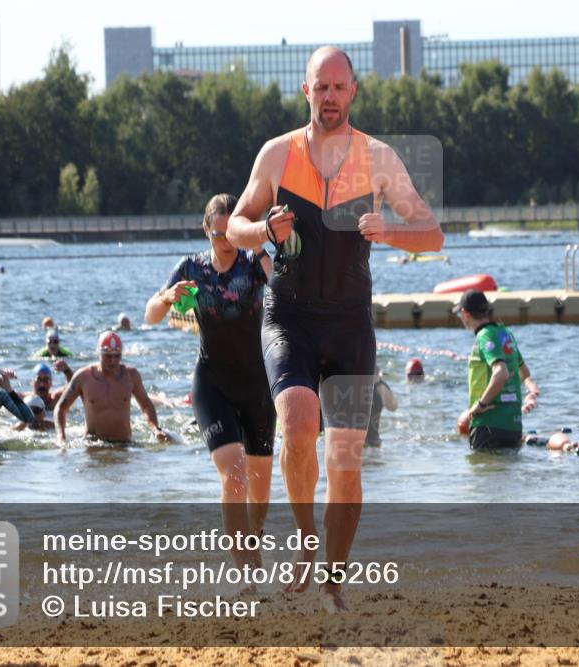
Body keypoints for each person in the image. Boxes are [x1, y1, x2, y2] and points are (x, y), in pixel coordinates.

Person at [225, 46, 444, 611]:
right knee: (297, 423)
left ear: (352, 93)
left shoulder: (379, 159)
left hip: (349, 325)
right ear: (306, 92)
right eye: (320, 87)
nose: (329, 97)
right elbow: (234, 223)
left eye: (338, 87)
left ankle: (333, 581)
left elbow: (433, 233)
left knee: (344, 462)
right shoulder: (277, 155)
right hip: (290, 316)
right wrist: (264, 230)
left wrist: (389, 230)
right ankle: (304, 540)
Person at [145, 193, 276, 573]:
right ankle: (244, 572)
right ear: (206, 230)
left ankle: (254, 542)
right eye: (217, 234)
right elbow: (150, 314)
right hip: (212, 382)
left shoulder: (254, 261)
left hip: (258, 384)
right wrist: (168, 297)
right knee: (234, 476)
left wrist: (268, 251)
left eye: (230, 233)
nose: (224, 241)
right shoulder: (191, 267)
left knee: (260, 489)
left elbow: (286, 289)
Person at [455, 290, 540, 450]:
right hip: (513, 426)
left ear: (465, 313)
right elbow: (524, 372)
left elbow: (501, 373)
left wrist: (480, 405)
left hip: (488, 423)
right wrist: (531, 387)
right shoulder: (505, 333)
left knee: (483, 472)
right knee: (506, 472)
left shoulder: (484, 336)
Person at [54, 331, 169, 446]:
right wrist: (61, 437)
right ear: (99, 353)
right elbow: (61, 407)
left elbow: (146, 405)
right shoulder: (84, 377)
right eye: (108, 356)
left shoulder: (131, 376)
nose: (113, 360)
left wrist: (155, 429)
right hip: (93, 446)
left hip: (124, 445)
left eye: (117, 355)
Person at [364, 368, 397, 447]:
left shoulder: (379, 382)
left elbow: (393, 407)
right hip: (352, 439)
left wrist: (378, 383)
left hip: (373, 442)